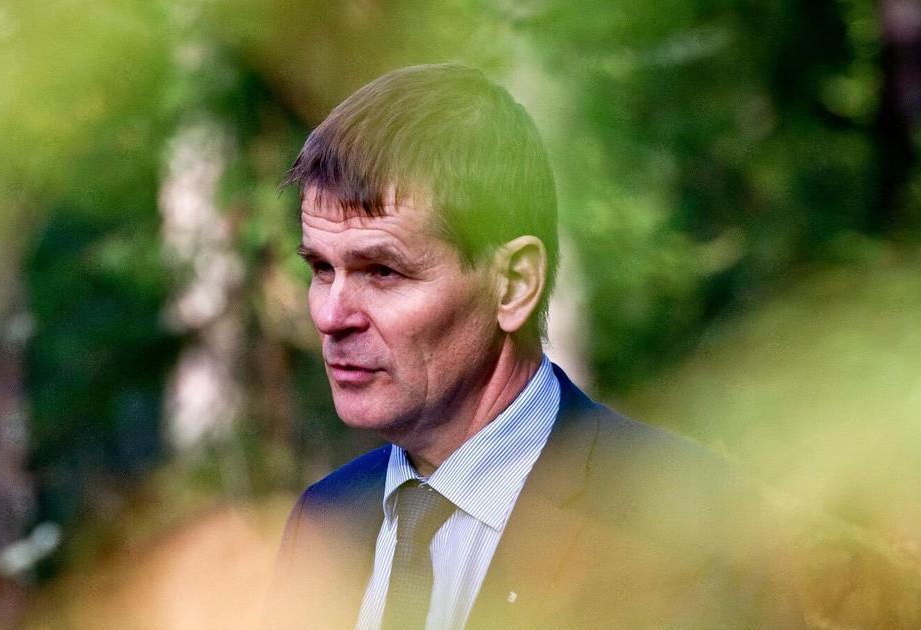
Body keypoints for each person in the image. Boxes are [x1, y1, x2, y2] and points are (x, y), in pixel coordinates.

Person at [263, 63, 804, 629]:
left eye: (383, 271)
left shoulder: (686, 522)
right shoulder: (321, 523)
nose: (330, 315)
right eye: (321, 268)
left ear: (515, 284)